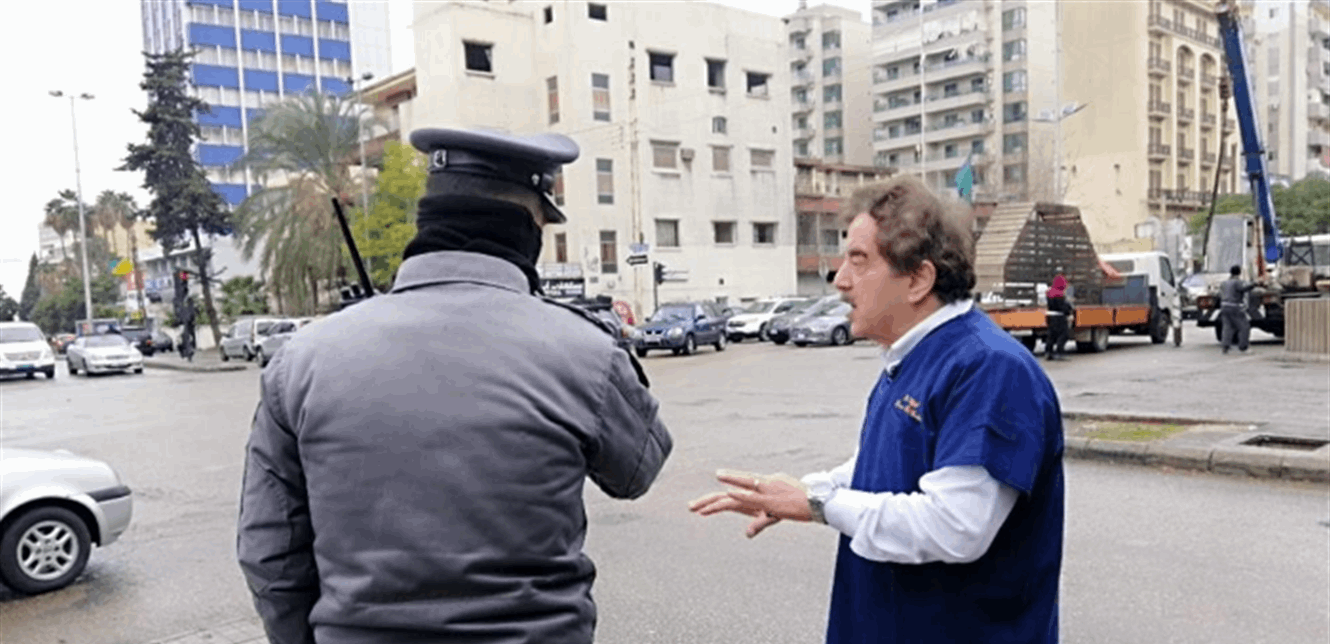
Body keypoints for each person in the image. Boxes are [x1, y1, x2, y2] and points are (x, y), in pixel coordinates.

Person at [237, 127, 673, 644]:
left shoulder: (301, 360)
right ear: (530, 226)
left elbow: (268, 552)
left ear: (429, 218)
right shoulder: (585, 352)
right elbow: (637, 471)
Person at [690, 175, 1065, 643]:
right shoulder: (910, 357)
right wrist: (807, 490)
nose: (840, 280)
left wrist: (817, 505)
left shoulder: (988, 368)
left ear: (918, 279)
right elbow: (886, 466)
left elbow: (955, 526)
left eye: (859, 260)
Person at [1219, 264, 1257, 354]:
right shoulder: (1237, 282)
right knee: (1244, 327)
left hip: (1224, 306)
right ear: (1239, 272)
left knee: (1227, 327)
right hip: (1234, 307)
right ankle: (1243, 347)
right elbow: (1243, 288)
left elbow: (1219, 294)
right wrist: (1254, 284)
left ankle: (1225, 347)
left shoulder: (1224, 283)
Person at [1045, 269, 1073, 360]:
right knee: (1064, 335)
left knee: (1051, 335)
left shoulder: (1049, 293)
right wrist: (1069, 310)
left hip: (1050, 316)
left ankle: (1048, 352)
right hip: (1060, 317)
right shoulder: (1060, 295)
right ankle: (1060, 353)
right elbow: (1063, 307)